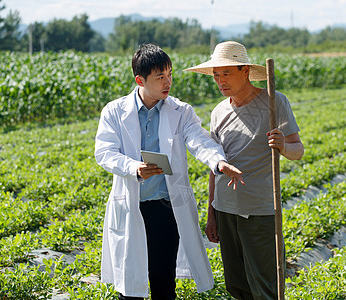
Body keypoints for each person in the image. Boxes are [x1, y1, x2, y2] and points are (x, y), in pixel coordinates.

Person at [94, 43, 244, 300]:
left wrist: (217, 161)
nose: (168, 82)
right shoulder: (115, 111)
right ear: (140, 80)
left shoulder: (181, 111)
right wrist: (134, 168)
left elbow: (199, 140)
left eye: (170, 74)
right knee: (129, 288)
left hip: (165, 208)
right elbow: (104, 153)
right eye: (160, 77)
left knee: (164, 283)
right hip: (132, 208)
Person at [185, 41, 304, 299]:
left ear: (245, 70)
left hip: (260, 211)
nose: (220, 81)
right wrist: (212, 212)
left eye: (226, 73)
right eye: (216, 75)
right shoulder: (219, 112)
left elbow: (298, 150)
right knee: (237, 285)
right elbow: (214, 166)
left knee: (264, 285)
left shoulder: (274, 103)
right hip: (226, 210)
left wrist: (283, 145)